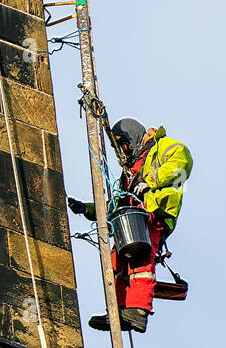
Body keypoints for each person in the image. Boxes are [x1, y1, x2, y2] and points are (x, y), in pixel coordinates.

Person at [68, 119, 193, 334]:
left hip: (155, 211)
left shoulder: (166, 147)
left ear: (131, 138)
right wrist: (87, 209)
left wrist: (149, 181)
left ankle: (139, 310)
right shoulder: (131, 170)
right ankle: (119, 309)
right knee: (117, 259)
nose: (124, 151)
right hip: (133, 216)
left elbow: (180, 167)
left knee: (140, 258)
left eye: (123, 144)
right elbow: (119, 203)